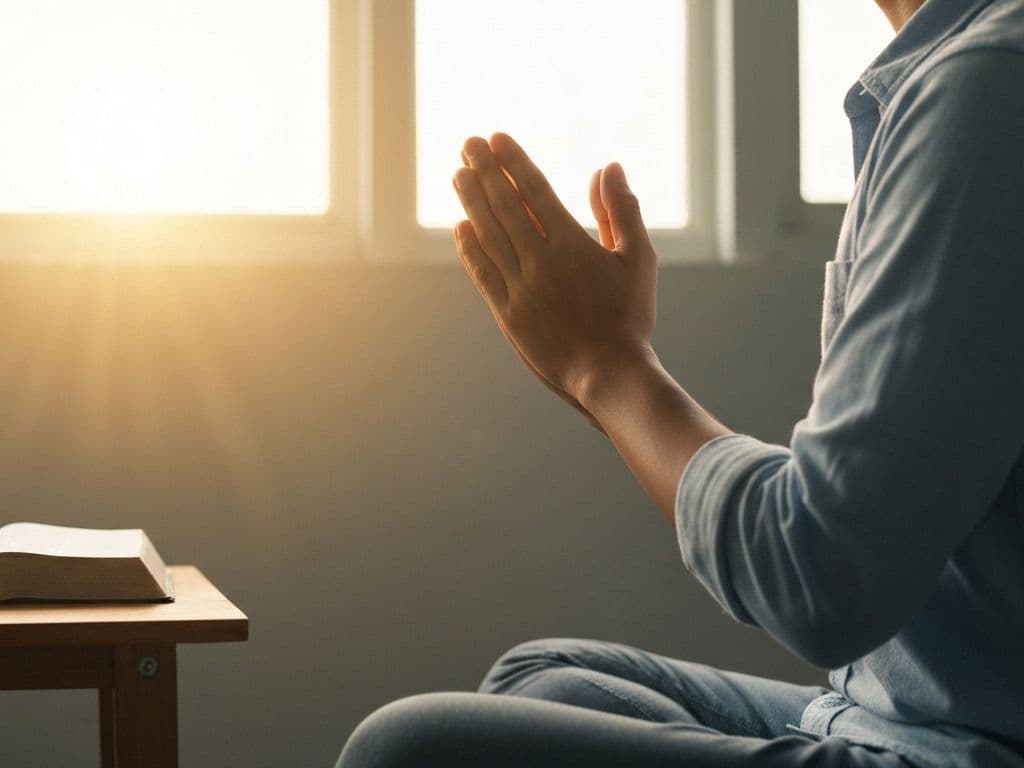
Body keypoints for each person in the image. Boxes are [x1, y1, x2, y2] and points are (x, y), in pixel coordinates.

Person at [336, 0, 1024, 765]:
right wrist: (601, 374)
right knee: (549, 685)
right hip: (894, 709)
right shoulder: (953, 78)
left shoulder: (990, 83)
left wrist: (610, 369)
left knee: (409, 749)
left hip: (960, 747)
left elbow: (825, 577)